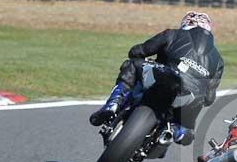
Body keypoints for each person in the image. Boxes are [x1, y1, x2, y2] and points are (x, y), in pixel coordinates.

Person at [89, 11, 224, 145]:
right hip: (190, 99)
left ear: (186, 23)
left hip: (164, 77)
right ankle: (178, 131)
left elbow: (139, 51)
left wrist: (137, 54)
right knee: (190, 123)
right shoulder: (218, 60)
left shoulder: (173, 34)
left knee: (131, 64)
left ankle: (113, 103)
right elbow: (209, 98)